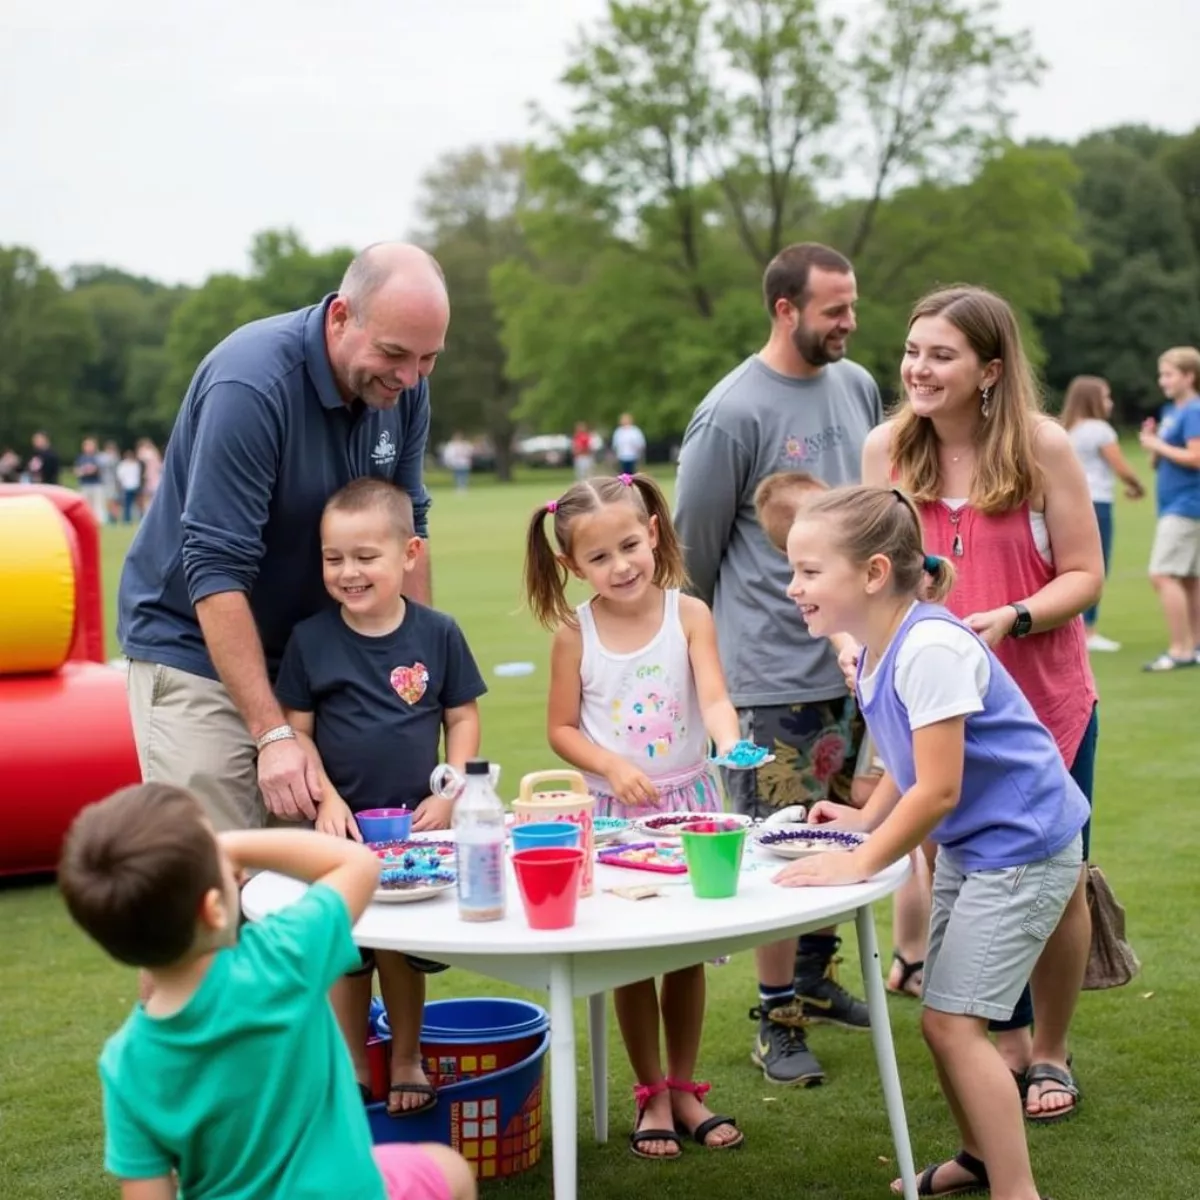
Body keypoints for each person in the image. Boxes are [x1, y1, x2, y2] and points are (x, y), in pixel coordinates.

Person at [769, 483, 1087, 1200]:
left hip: (1021, 850)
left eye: (810, 572)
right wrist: (862, 820)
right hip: (981, 852)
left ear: (874, 572)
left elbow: (938, 789)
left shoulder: (931, 647)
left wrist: (858, 858)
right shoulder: (884, 649)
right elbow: (903, 764)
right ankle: (979, 1162)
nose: (794, 587)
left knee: (950, 1024)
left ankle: (1016, 1190)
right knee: (943, 1022)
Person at [861, 284, 1103, 1123]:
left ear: (990, 370)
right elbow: (867, 569)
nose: (917, 369)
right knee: (955, 867)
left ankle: (1049, 1052)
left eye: (942, 355)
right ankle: (998, 1029)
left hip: (1042, 702)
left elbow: (1085, 575)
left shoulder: (1042, 448)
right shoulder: (885, 450)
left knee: (1059, 880)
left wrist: (1016, 615)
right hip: (932, 710)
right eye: (912, 350)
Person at [117, 243, 449, 836]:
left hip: (316, 653)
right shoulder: (251, 384)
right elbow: (214, 567)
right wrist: (272, 735)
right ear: (342, 317)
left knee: (337, 867)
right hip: (197, 647)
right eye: (395, 353)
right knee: (225, 872)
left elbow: (407, 531)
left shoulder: (405, 388)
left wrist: (418, 677)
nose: (409, 377)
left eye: (428, 359)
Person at [674, 242, 882, 1086]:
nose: (849, 323)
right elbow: (691, 551)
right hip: (766, 675)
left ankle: (815, 978)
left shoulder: (859, 384)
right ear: (785, 309)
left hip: (857, 666)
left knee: (838, 822)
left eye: (853, 306)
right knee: (771, 845)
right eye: (834, 309)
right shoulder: (731, 412)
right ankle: (773, 1021)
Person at [57, 783, 476, 1200]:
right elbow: (358, 864)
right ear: (214, 908)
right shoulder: (282, 958)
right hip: (350, 1190)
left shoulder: (124, 1063)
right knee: (450, 1168)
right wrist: (232, 844)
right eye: (226, 867)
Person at [524, 472, 744, 1160]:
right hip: (615, 818)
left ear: (653, 533)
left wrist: (730, 738)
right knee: (630, 961)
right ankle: (650, 1092)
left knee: (683, 955)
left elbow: (712, 695)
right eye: (598, 557)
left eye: (629, 545)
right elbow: (561, 729)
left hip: (689, 807)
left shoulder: (690, 614)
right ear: (571, 565)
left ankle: (684, 1086)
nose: (620, 566)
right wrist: (612, 767)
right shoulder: (574, 633)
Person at [275, 478, 486, 1117]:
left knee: (401, 949)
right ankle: (349, 1064)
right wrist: (326, 802)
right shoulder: (310, 640)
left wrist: (450, 791)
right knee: (348, 948)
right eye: (334, 558)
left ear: (409, 555)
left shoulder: (438, 632)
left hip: (417, 834)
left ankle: (405, 1058)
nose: (349, 572)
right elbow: (298, 733)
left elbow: (463, 719)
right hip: (338, 834)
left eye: (366, 557)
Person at [1060, 375, 1145, 652]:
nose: (1110, 403)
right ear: (1093, 399)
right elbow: (1120, 466)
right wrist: (1137, 485)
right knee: (1095, 567)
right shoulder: (1100, 430)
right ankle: (1088, 632)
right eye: (1106, 396)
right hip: (1096, 502)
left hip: (1066, 503)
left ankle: (1070, 626)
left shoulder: (1067, 429)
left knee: (1069, 567)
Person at [1138, 345, 1200, 671]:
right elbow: (1156, 459)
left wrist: (1159, 444)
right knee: (1188, 578)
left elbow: (1196, 457)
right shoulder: (1171, 411)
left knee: (1162, 574)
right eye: (1162, 374)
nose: (1163, 380)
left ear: (1189, 376)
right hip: (1174, 504)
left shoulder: (1194, 411)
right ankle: (1195, 646)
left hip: (1187, 504)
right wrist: (1153, 442)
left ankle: (1181, 650)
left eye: (1169, 374)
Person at [75, 436, 107, 526]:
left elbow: (98, 470)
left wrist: (88, 471)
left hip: (96, 483)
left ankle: (99, 521)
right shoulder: (81, 458)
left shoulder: (98, 457)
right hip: (85, 483)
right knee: (85, 504)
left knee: (97, 504)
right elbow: (78, 470)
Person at [116, 449, 143, 524]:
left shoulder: (135, 465)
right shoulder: (123, 465)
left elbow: (137, 476)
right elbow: (120, 476)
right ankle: (127, 519)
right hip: (127, 486)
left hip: (135, 486)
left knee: (138, 504)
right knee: (127, 504)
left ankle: (140, 518)